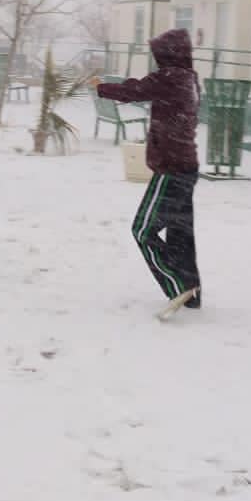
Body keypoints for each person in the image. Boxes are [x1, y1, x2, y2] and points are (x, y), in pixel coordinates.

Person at [91, 28, 203, 311]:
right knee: (180, 233)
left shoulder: (170, 78)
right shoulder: (190, 79)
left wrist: (101, 87)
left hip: (171, 169)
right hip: (187, 166)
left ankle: (179, 286)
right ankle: (192, 292)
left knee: (142, 230)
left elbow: (135, 91)